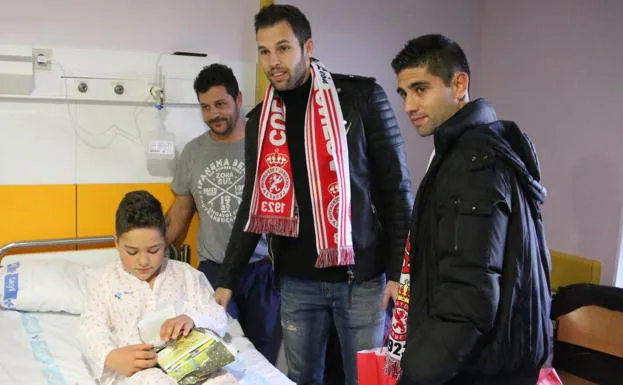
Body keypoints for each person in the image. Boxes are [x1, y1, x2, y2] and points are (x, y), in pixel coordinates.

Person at [213, 4, 413, 385]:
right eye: (264, 50)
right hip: (296, 281)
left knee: (367, 380)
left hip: (363, 279)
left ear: (308, 46)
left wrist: (399, 275)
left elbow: (396, 190)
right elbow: (253, 205)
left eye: (283, 48)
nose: (273, 61)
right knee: (303, 378)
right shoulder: (259, 120)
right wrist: (227, 280)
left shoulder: (361, 98)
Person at [389, 34, 552, 385]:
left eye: (420, 89)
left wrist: (416, 377)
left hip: (481, 366)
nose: (409, 106)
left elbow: (469, 296)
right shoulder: (478, 147)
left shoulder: (472, 163)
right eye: (404, 93)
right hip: (490, 357)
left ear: (459, 84)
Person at [165, 63, 281, 364]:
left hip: (262, 270)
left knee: (263, 355)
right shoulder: (193, 152)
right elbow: (181, 211)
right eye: (205, 107)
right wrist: (151, 251)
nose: (213, 114)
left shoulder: (265, 147)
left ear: (238, 99)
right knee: (219, 353)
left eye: (220, 104)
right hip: (213, 271)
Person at [78, 190, 234, 384]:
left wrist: (192, 318)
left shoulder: (186, 275)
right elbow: (90, 329)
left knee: (224, 379)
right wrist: (110, 355)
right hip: (140, 371)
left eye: (154, 250)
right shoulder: (104, 281)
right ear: (116, 242)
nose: (143, 261)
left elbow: (218, 316)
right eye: (132, 252)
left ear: (165, 241)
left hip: (189, 363)